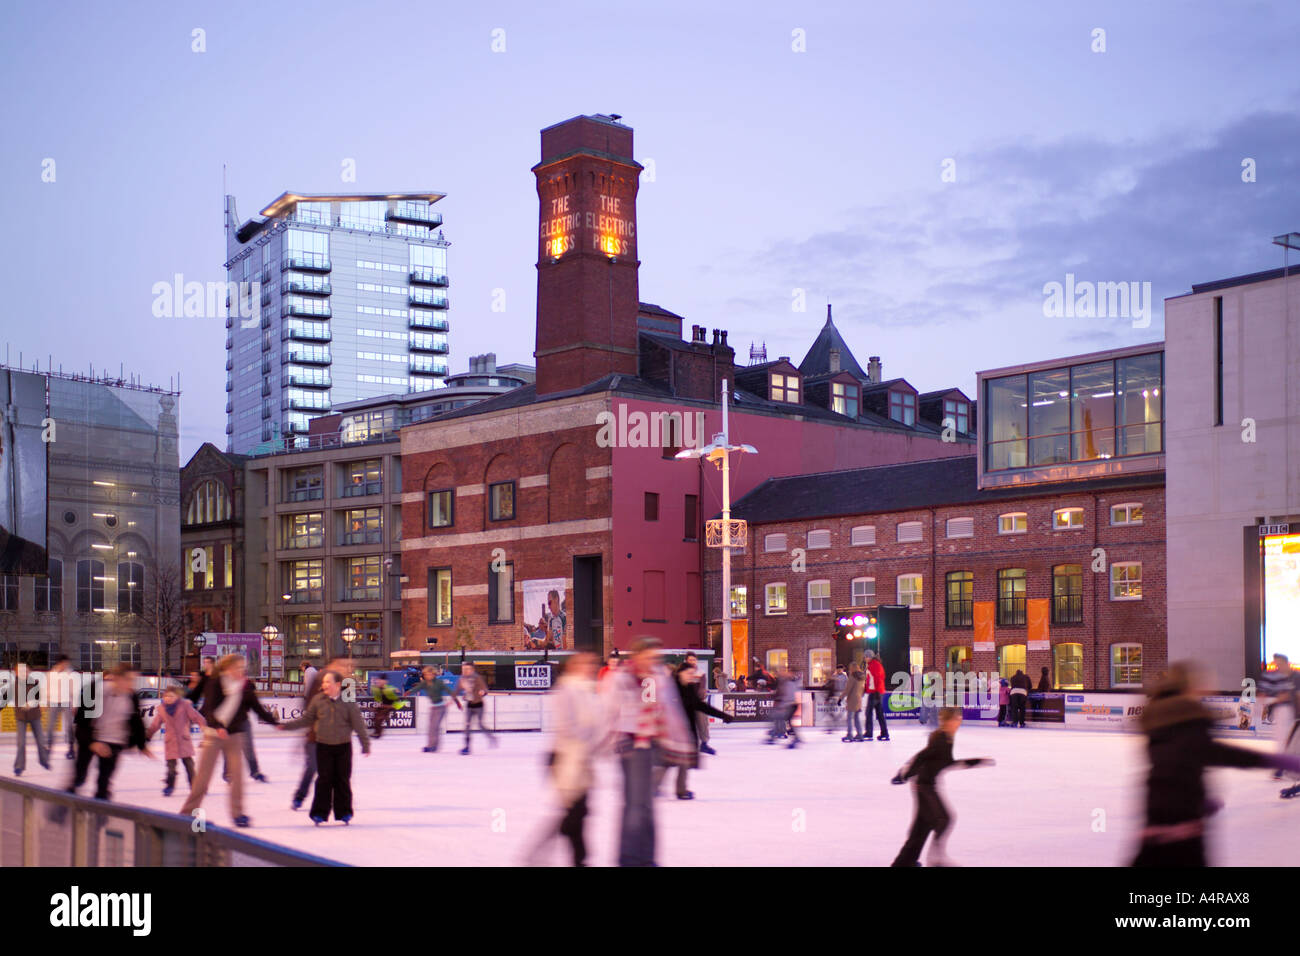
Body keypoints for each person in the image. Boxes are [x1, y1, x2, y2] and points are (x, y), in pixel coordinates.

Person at [1132, 661, 1300, 865]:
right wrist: (1276, 760)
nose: (1208, 688)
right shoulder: (1185, 720)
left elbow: (1170, 767)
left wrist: (1196, 799)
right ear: (1189, 686)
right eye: (1202, 682)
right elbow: (1219, 754)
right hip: (1181, 836)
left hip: (1158, 824)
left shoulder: (1163, 719)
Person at [604, 636, 694, 866]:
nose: (653, 661)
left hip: (649, 745)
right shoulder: (622, 678)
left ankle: (644, 857)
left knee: (645, 805)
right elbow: (608, 710)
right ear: (638, 654)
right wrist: (610, 739)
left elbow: (664, 711)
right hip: (629, 745)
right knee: (636, 805)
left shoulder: (655, 679)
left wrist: (677, 740)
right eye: (649, 656)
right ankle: (631, 858)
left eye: (656, 657)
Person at [527, 652, 612, 865]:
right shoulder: (566, 690)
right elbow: (567, 727)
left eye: (593, 663)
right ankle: (546, 856)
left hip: (581, 759)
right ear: (573, 666)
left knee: (577, 813)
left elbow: (598, 724)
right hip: (565, 759)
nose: (591, 666)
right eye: (585, 663)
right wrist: (593, 740)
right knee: (574, 813)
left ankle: (573, 858)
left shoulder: (587, 689)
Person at [180, 654, 279, 828]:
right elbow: (209, 708)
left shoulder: (245, 686)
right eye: (237, 667)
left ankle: (238, 813)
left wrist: (275, 723)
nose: (240, 670)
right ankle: (187, 812)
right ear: (227, 668)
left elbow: (257, 707)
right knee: (203, 777)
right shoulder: (215, 683)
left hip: (234, 735)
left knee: (237, 777)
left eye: (242, 667)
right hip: (213, 734)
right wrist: (218, 726)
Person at [890, 707, 994, 867]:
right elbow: (922, 756)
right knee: (943, 818)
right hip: (923, 785)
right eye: (957, 718)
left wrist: (976, 761)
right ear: (949, 721)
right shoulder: (940, 739)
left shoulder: (946, 738)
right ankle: (936, 859)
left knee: (922, 826)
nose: (960, 720)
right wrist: (904, 774)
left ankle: (904, 863)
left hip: (925, 784)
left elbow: (947, 763)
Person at [279, 670, 371, 825]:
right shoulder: (318, 700)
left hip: (343, 747)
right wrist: (287, 726)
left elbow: (359, 725)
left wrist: (365, 744)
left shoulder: (348, 701)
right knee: (324, 780)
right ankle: (320, 813)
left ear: (337, 685)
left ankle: (344, 812)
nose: (324, 685)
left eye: (328, 682)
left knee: (342, 780)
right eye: (324, 682)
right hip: (323, 746)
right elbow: (307, 720)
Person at [68, 665, 151, 801]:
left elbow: (137, 721)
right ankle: (63, 805)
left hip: (114, 740)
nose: (131, 685)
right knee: (79, 776)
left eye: (133, 680)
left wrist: (142, 745)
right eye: (128, 680)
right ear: (117, 679)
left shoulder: (131, 696)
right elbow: (81, 723)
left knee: (104, 781)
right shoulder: (95, 690)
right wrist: (92, 743)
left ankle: (101, 810)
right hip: (91, 736)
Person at [656, 660, 733, 798]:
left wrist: (723, 716)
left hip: (687, 731)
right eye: (689, 673)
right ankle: (653, 786)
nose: (691, 676)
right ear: (680, 673)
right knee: (668, 762)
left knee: (684, 761)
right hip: (672, 731)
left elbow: (701, 706)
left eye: (693, 673)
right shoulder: (672, 688)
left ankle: (681, 790)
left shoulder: (690, 688)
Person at [293, 656, 349, 810]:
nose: (344, 668)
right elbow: (308, 705)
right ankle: (300, 796)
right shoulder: (319, 680)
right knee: (313, 767)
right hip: (316, 736)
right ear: (332, 665)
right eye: (341, 665)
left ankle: (341, 802)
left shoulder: (345, 684)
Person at [147, 684, 207, 796]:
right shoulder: (162, 709)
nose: (168, 698)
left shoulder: (184, 706)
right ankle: (170, 786)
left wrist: (203, 725)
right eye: (166, 696)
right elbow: (156, 724)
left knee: (189, 765)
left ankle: (195, 786)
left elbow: (196, 716)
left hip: (183, 740)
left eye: (171, 696)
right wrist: (148, 735)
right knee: (171, 767)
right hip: (171, 742)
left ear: (177, 697)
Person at [1260, 654, 1298, 780]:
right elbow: (1265, 693)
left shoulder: (1296, 676)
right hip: (1283, 712)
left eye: (1279, 663)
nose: (1277, 666)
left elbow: (1295, 696)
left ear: (1286, 663)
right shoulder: (1274, 676)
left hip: (1294, 713)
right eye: (1276, 664)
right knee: (1283, 740)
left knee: (1292, 741)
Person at [12, 663, 51, 776]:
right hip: (21, 717)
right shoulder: (13, 685)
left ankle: (44, 761)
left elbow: (39, 697)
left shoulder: (35, 683)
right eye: (21, 671)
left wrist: (32, 703)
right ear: (17, 673)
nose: (24, 673)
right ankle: (19, 766)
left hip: (34, 716)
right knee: (21, 743)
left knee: (40, 741)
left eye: (26, 670)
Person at [410, 664, 459, 752]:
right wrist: (408, 692)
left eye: (430, 674)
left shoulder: (439, 683)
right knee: (431, 727)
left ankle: (434, 746)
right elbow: (416, 688)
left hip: (441, 707)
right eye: (426, 675)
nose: (428, 676)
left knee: (435, 726)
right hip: (433, 708)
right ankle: (430, 745)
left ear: (434, 674)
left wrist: (457, 701)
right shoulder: (424, 683)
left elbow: (449, 691)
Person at [454, 663, 497, 754]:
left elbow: (485, 689)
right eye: (464, 669)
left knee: (480, 725)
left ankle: (491, 737)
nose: (466, 671)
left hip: (478, 705)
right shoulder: (462, 679)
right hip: (469, 705)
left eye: (468, 669)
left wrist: (483, 692)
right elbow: (457, 690)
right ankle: (467, 747)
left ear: (472, 670)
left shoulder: (477, 678)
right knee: (467, 726)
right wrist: (454, 699)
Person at [683, 652, 717, 755]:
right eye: (690, 660)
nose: (692, 662)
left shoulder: (700, 673)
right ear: (686, 661)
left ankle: (704, 744)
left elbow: (702, 688)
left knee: (703, 723)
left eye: (694, 660)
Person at [46, 655, 79, 759]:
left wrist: (75, 704)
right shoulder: (51, 674)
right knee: (50, 726)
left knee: (69, 726)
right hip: (53, 702)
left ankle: (71, 748)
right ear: (59, 663)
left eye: (67, 663)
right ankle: (49, 747)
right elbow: (46, 688)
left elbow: (75, 690)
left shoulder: (71, 674)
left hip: (66, 701)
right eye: (65, 663)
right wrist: (45, 701)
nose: (66, 665)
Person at [767, 666, 800, 748]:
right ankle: (776, 735)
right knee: (780, 719)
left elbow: (788, 694)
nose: (782, 673)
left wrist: (783, 705)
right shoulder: (784, 681)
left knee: (779, 718)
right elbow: (779, 692)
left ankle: (777, 735)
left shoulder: (789, 681)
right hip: (788, 704)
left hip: (790, 704)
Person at [864, 650, 890, 741]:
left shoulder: (874, 665)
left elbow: (878, 679)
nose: (864, 658)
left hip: (875, 692)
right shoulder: (873, 664)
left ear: (869, 657)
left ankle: (869, 733)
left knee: (869, 712)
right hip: (877, 691)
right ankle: (884, 733)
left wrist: (877, 692)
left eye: (865, 657)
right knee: (879, 714)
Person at [370, 674, 403, 739]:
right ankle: (377, 732)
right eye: (378, 681)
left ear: (384, 681)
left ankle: (378, 732)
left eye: (380, 681)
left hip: (389, 707)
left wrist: (390, 706)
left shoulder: (388, 690)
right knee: (375, 718)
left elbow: (397, 701)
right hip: (384, 706)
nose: (378, 682)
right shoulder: (379, 689)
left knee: (379, 718)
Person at [843, 664, 865, 742]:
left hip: (852, 700)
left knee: (849, 718)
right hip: (858, 699)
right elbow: (863, 689)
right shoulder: (862, 677)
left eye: (850, 668)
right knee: (856, 718)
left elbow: (847, 689)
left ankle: (850, 735)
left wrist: (840, 698)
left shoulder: (852, 677)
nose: (849, 670)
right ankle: (860, 734)